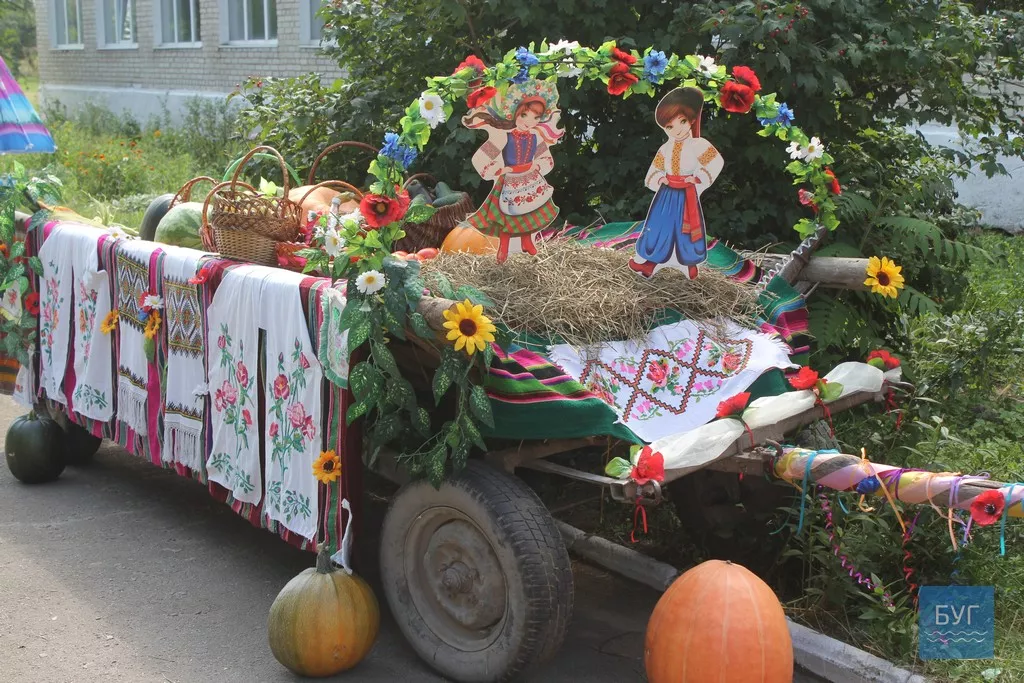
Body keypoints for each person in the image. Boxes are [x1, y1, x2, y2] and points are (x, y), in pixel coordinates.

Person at [462, 80, 564, 263]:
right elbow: (480, 159)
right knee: (507, 215)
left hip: (531, 180)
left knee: (529, 212)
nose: (528, 122)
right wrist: (500, 169)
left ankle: (527, 242)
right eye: (524, 115)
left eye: (535, 118)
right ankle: (504, 248)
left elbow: (547, 159)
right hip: (509, 181)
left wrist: (537, 166)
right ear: (515, 113)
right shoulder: (503, 137)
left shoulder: (536, 138)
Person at [629, 86, 724, 280]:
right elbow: (653, 171)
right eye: (669, 127)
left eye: (682, 121)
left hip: (687, 194)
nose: (677, 130)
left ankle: (689, 265)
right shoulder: (665, 148)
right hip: (665, 195)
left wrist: (698, 179)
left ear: (691, 120)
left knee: (685, 230)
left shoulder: (699, 145)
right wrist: (659, 178)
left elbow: (716, 162)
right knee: (659, 227)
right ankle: (651, 263)